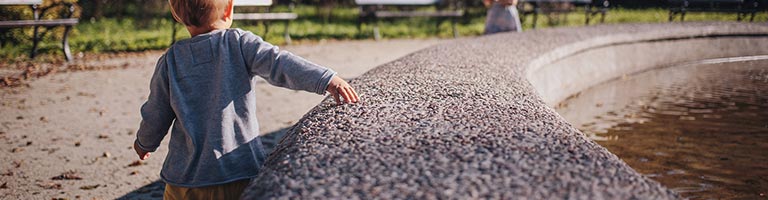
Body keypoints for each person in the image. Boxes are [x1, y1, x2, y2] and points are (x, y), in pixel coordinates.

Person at [131, 0, 360, 199]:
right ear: (229, 8)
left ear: (176, 15)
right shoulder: (239, 43)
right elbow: (280, 63)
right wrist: (326, 79)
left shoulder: (170, 60)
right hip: (238, 173)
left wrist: (144, 143)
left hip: (185, 182)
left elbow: (156, 112)